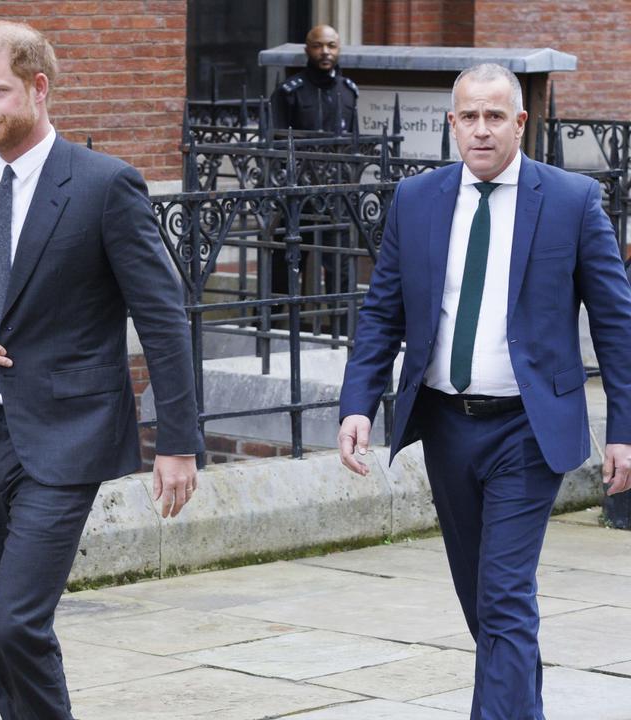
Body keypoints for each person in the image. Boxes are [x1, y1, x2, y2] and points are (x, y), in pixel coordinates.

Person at [0, 21, 203, 720]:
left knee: (19, 621)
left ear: (38, 89)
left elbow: (163, 316)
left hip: (68, 435)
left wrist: (177, 442)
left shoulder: (105, 186)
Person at [337, 64, 631, 719]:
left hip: (528, 428)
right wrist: (358, 402)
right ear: (451, 122)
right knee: (483, 600)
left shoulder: (571, 201)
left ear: (520, 123)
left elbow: (617, 325)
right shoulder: (417, 202)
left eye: (495, 116)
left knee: (502, 595)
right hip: (444, 425)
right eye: (468, 116)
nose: (481, 129)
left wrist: (624, 429)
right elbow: (383, 311)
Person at [269, 24, 360, 316]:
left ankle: (338, 326)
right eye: (319, 46)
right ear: (307, 49)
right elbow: (277, 143)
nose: (325, 52)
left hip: (335, 193)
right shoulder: (290, 92)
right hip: (298, 193)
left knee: (338, 264)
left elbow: (353, 145)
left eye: (331, 46)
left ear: (339, 48)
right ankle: (278, 320)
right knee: (288, 260)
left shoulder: (348, 92)